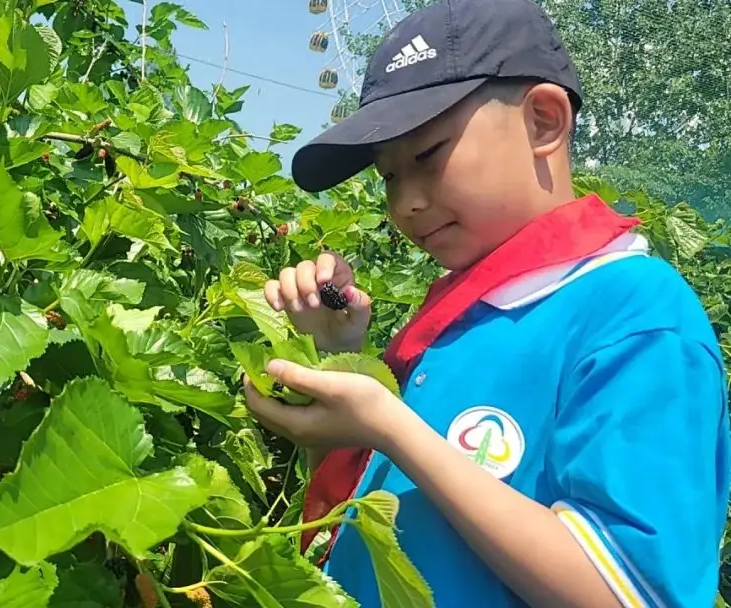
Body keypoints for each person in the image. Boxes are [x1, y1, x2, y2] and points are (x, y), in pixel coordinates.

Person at [243, 0, 731, 606]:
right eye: (388, 175)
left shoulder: (636, 319)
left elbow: (632, 592)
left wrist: (393, 428)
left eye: (426, 155)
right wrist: (339, 357)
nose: (406, 204)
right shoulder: (460, 318)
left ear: (544, 122)